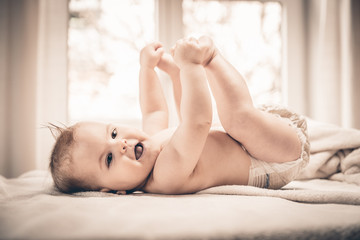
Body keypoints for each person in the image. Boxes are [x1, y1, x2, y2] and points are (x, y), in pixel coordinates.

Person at [48, 36, 309, 195]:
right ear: (113, 191)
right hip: (271, 160)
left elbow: (154, 110)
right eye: (108, 158)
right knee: (237, 120)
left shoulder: (148, 144)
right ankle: (212, 57)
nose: (121, 144)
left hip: (257, 141)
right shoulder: (164, 176)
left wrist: (148, 69)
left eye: (113, 133)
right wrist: (191, 67)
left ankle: (194, 65)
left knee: (228, 122)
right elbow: (198, 122)